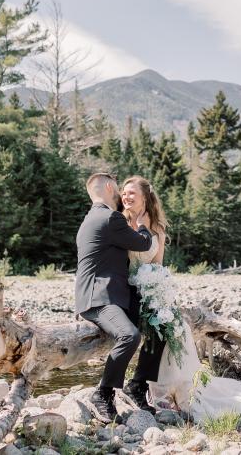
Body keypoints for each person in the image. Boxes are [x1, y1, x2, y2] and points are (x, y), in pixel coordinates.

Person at [121, 176, 241, 422]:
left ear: (145, 197)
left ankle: (148, 386)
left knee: (170, 328)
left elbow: (157, 265)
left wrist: (158, 292)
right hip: (126, 289)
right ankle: (139, 385)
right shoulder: (120, 223)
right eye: (124, 192)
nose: (126, 197)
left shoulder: (157, 227)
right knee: (161, 327)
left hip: (149, 289)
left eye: (131, 193)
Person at [74, 172, 166, 424]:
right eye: (118, 189)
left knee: (159, 326)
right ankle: (103, 393)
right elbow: (143, 244)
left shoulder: (93, 217)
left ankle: (137, 384)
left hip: (118, 293)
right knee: (130, 335)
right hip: (100, 298)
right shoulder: (111, 218)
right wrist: (145, 226)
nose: (121, 195)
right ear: (108, 187)